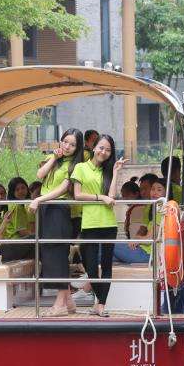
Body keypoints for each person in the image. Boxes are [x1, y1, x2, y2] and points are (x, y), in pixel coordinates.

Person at [29, 128, 84, 316]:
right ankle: (69, 303)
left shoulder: (76, 166)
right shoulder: (56, 161)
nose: (67, 146)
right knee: (49, 253)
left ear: (78, 148)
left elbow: (63, 189)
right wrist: (53, 157)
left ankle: (60, 304)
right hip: (46, 209)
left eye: (72, 144)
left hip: (59, 210)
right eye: (65, 142)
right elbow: (40, 175)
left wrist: (39, 200)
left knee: (58, 255)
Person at [71, 134, 127, 317]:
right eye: (101, 148)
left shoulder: (108, 170)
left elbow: (110, 197)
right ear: (94, 148)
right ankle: (99, 302)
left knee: (107, 265)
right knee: (90, 265)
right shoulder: (80, 167)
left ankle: (101, 304)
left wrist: (116, 171)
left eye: (108, 150)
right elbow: (77, 195)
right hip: (89, 224)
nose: (104, 152)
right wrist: (99, 197)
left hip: (108, 224)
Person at [114, 178, 166, 264]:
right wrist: (135, 239)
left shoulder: (162, 211)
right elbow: (143, 228)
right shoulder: (152, 208)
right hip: (142, 249)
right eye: (153, 189)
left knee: (109, 245)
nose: (155, 192)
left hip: (148, 254)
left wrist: (136, 240)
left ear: (166, 193)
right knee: (107, 255)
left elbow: (150, 238)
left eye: (159, 190)